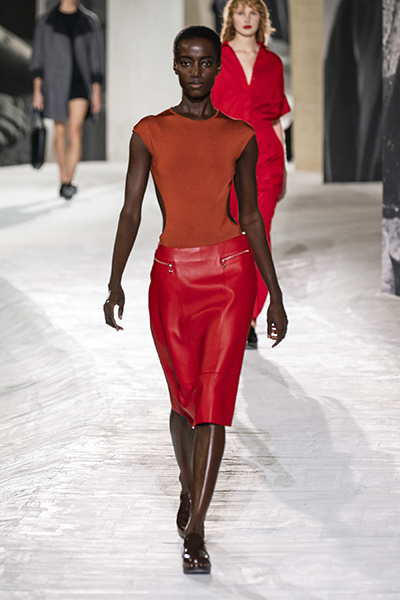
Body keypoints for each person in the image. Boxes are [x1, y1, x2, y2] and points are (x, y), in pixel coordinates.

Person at [103, 26, 287, 575]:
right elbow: (132, 210)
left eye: (207, 63)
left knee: (212, 404)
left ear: (218, 68)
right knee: (183, 402)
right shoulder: (149, 132)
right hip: (172, 280)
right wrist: (115, 281)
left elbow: (251, 216)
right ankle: (189, 486)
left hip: (230, 279)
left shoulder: (240, 135)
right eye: (187, 62)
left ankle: (196, 530)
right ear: (175, 65)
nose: (197, 72)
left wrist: (274, 293)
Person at [211, 0, 290, 348]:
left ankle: (250, 318)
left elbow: (276, 120)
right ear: (231, 17)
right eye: (240, 12)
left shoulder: (272, 63)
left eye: (253, 12)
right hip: (224, 160)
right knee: (229, 237)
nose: (247, 18)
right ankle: (227, 309)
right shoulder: (216, 58)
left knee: (261, 236)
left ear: (262, 18)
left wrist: (283, 167)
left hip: (266, 160)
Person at [30, 0, 104, 199]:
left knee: (75, 130)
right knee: (60, 132)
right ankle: (63, 177)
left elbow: (96, 58)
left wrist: (96, 92)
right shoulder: (46, 21)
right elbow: (38, 58)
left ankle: (68, 180)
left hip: (80, 83)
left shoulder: (88, 21)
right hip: (54, 84)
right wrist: (37, 91)